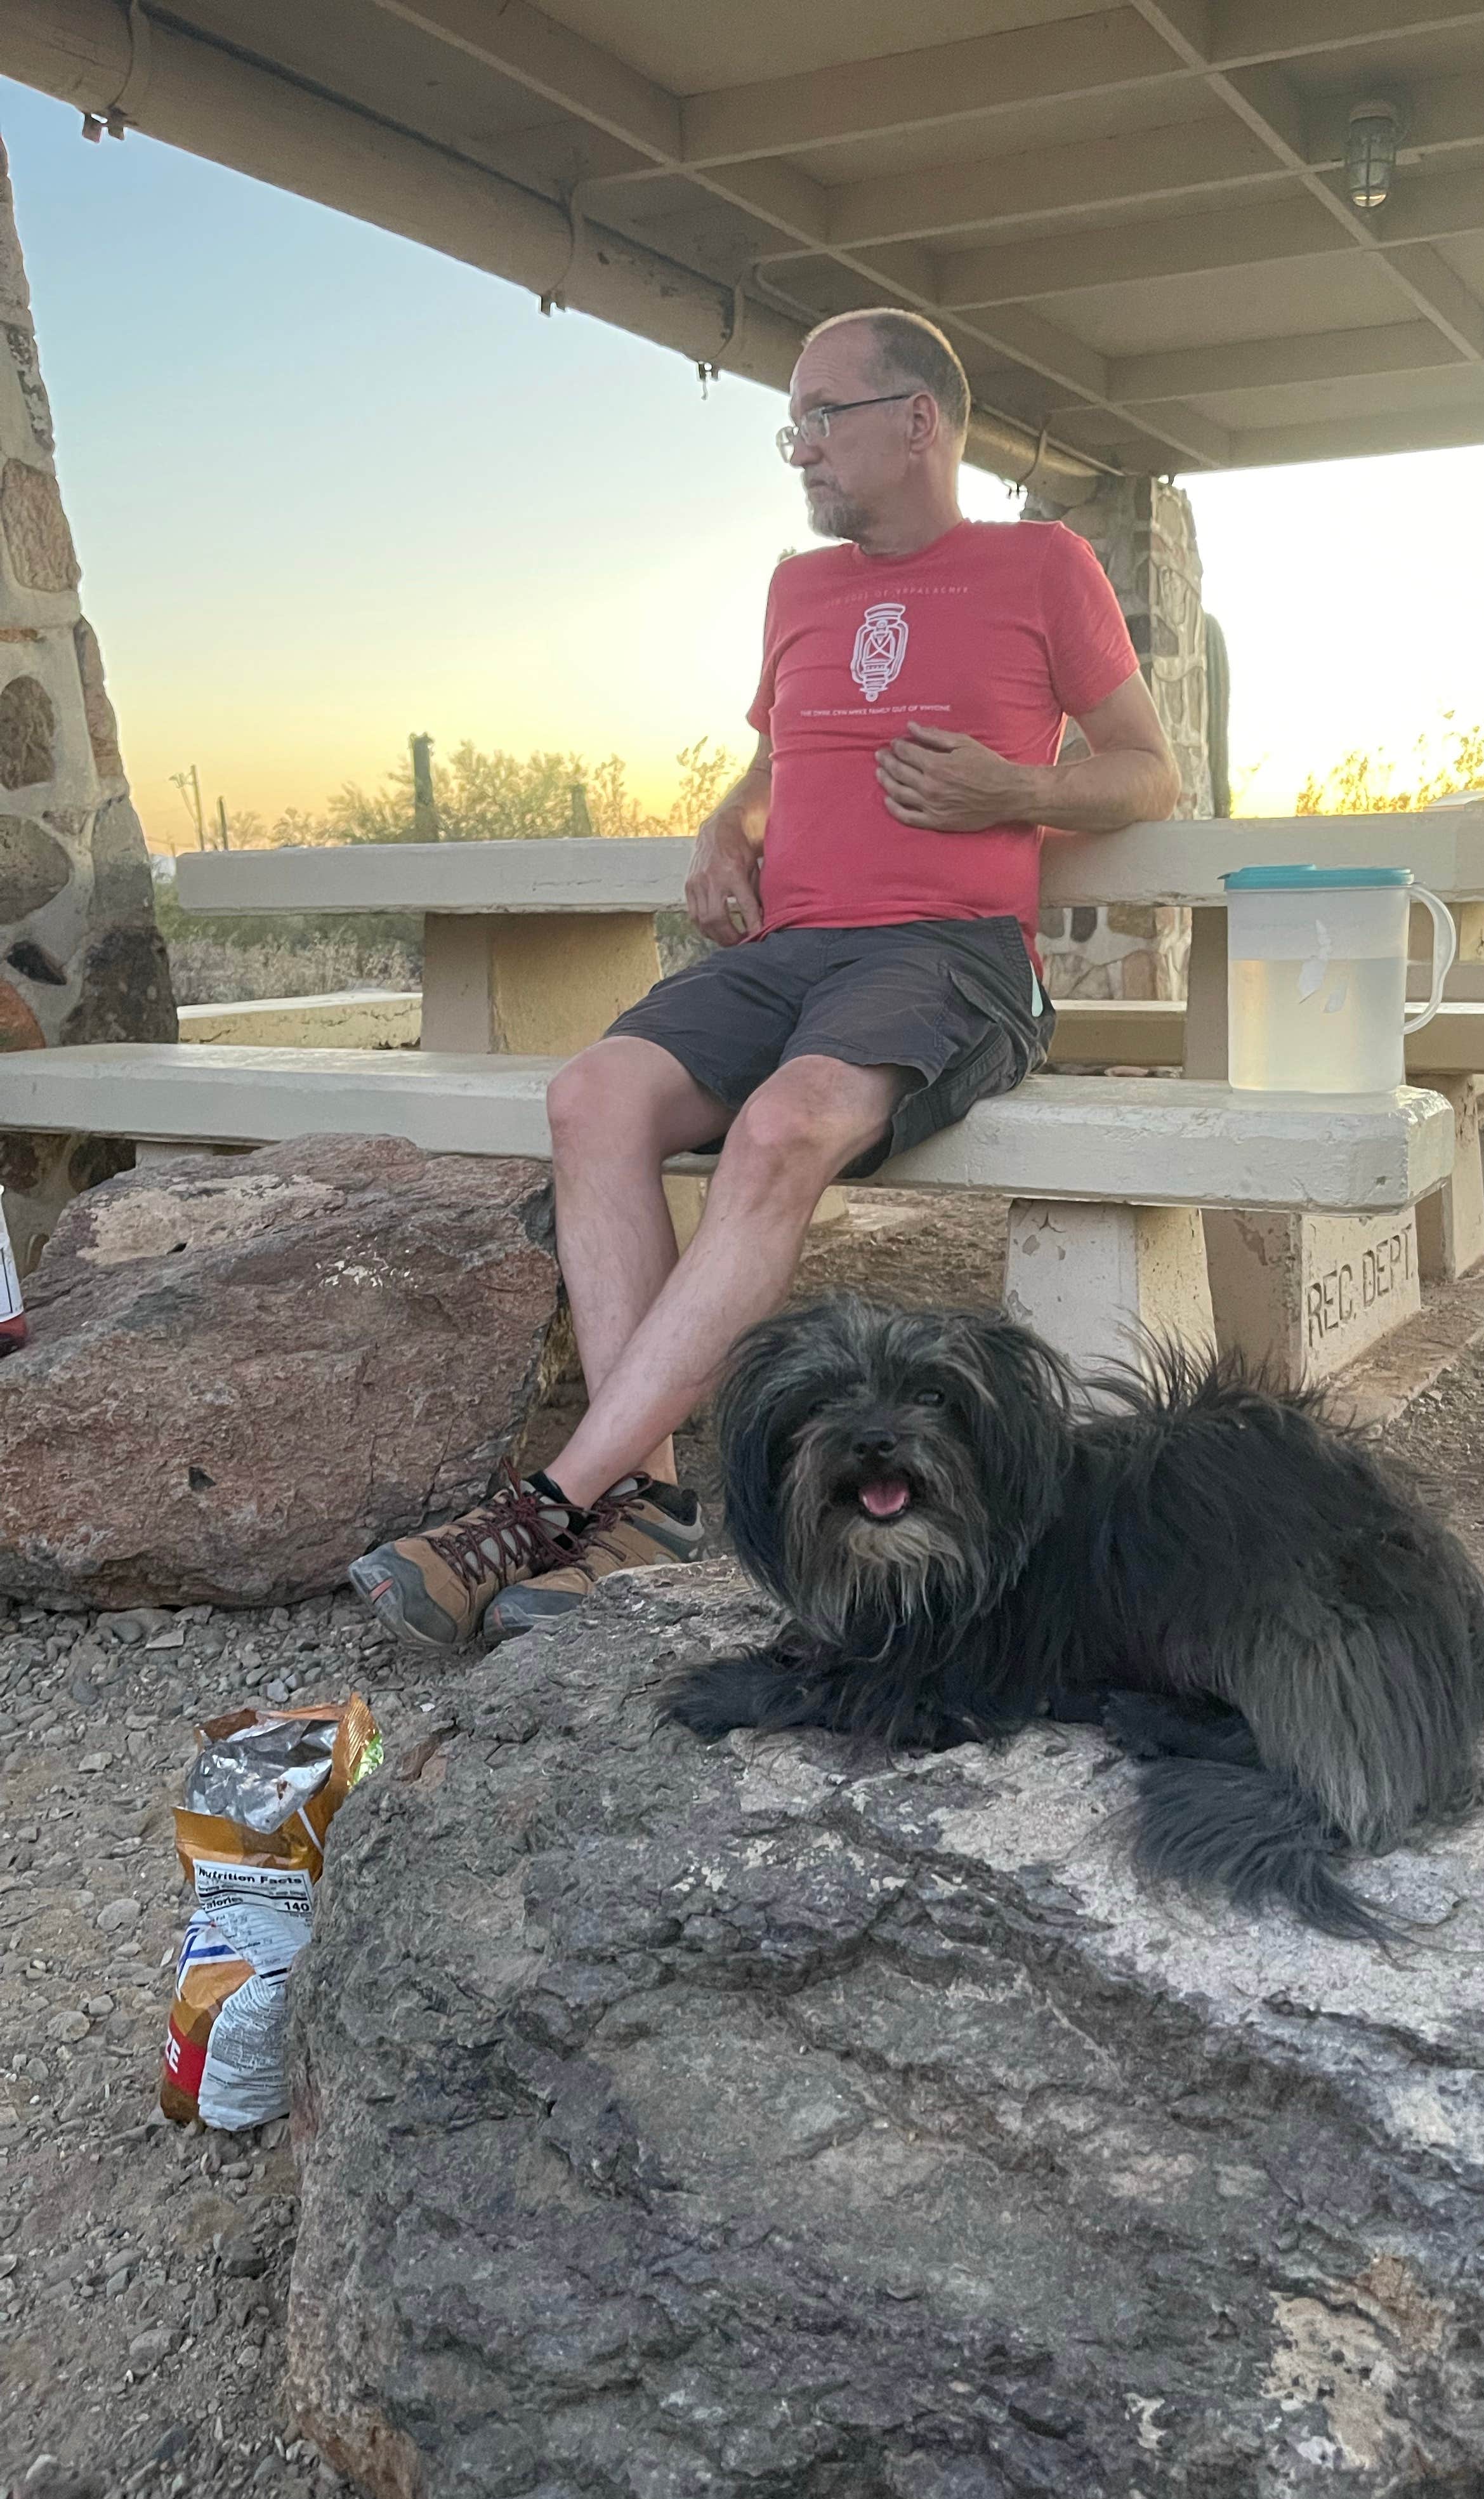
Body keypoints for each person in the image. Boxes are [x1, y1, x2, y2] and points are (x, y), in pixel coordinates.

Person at [350, 307, 1181, 1651]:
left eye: (819, 416)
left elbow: (1151, 767)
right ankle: (651, 1506)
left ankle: (559, 1499)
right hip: (786, 951)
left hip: (950, 954)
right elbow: (773, 761)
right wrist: (718, 821)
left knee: (786, 1128)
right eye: (788, 422)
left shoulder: (1042, 564)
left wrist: (1017, 788)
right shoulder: (800, 588)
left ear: (917, 420)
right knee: (594, 1095)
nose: (795, 446)